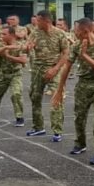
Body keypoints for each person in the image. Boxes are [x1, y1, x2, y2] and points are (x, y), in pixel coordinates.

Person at [52, 18, 94, 165]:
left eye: (76, 30)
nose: (74, 33)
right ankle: (80, 143)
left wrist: (85, 56)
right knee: (79, 118)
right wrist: (59, 90)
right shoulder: (77, 45)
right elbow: (67, 67)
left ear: (85, 31)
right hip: (82, 85)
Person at [25, 11, 69, 140]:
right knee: (35, 96)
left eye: (38, 20)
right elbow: (27, 46)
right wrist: (28, 48)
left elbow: (66, 53)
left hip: (53, 69)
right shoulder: (35, 32)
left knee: (56, 98)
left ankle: (57, 131)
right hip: (38, 69)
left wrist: (55, 69)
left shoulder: (60, 34)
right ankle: (38, 127)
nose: (36, 22)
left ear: (47, 21)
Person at [0, 24, 27, 126]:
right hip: (3, 74)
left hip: (15, 74)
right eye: (1, 34)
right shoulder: (0, 45)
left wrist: (8, 57)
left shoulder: (20, 45)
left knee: (16, 94)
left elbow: (23, 60)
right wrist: (5, 48)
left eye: (4, 34)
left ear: (12, 35)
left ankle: (19, 117)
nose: (2, 36)